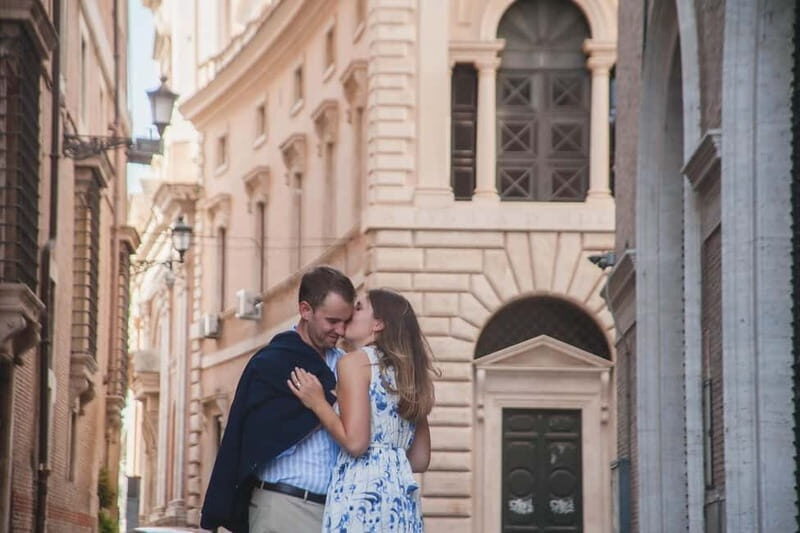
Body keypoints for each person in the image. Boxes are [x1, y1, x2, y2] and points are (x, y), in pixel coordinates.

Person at [200, 266, 356, 533]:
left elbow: (358, 433)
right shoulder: (272, 363)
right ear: (306, 310)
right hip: (283, 507)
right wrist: (212, 516)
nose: (340, 331)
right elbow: (240, 434)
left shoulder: (347, 365)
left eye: (346, 321)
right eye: (332, 321)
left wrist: (322, 402)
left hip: (337, 512)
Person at [288, 288, 438, 532]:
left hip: (361, 495)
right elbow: (420, 458)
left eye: (358, 308)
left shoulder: (355, 362)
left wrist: (318, 403)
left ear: (378, 323)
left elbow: (356, 444)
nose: (349, 314)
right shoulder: (411, 373)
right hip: (401, 496)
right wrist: (389, 458)